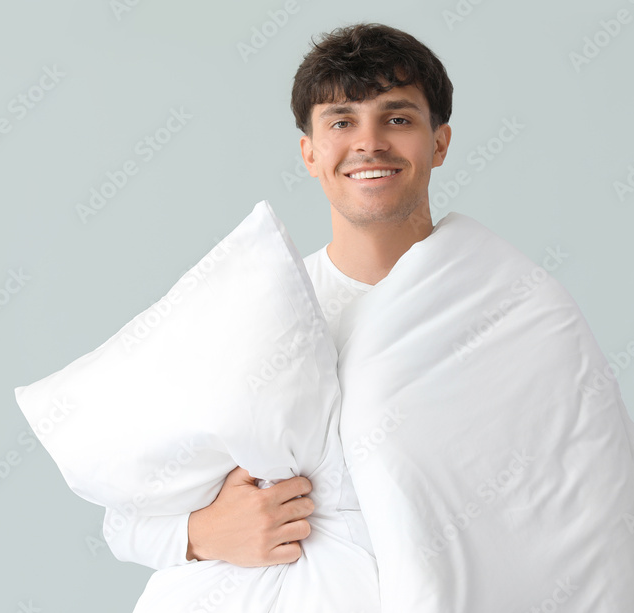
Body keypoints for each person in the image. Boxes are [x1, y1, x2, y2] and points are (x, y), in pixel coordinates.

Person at [102, 22, 453, 572]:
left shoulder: (501, 304)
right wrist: (201, 533)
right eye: (342, 121)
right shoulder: (262, 310)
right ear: (310, 153)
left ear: (439, 142)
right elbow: (126, 510)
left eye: (398, 117)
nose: (369, 142)